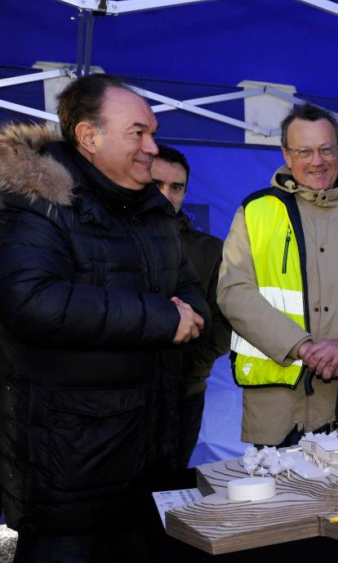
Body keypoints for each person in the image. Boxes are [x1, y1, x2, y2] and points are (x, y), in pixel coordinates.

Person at [0, 74, 207, 560]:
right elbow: (31, 300)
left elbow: (191, 293)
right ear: (89, 136)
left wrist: (187, 314)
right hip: (69, 465)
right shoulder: (38, 200)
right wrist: (162, 318)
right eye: (138, 133)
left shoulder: (152, 209)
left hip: (147, 457)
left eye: (153, 133)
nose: (151, 147)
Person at [218, 104, 338, 448]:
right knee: (282, 486)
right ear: (286, 155)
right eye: (304, 151)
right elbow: (234, 293)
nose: (316, 161)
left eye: (326, 149)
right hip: (278, 412)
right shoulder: (255, 212)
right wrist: (303, 348)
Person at [152, 145, 232, 467]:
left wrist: (191, 370)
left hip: (186, 394)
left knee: (170, 482)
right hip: (122, 396)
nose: (166, 195)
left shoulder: (209, 250)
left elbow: (225, 321)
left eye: (176, 187)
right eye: (156, 184)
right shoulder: (112, 242)